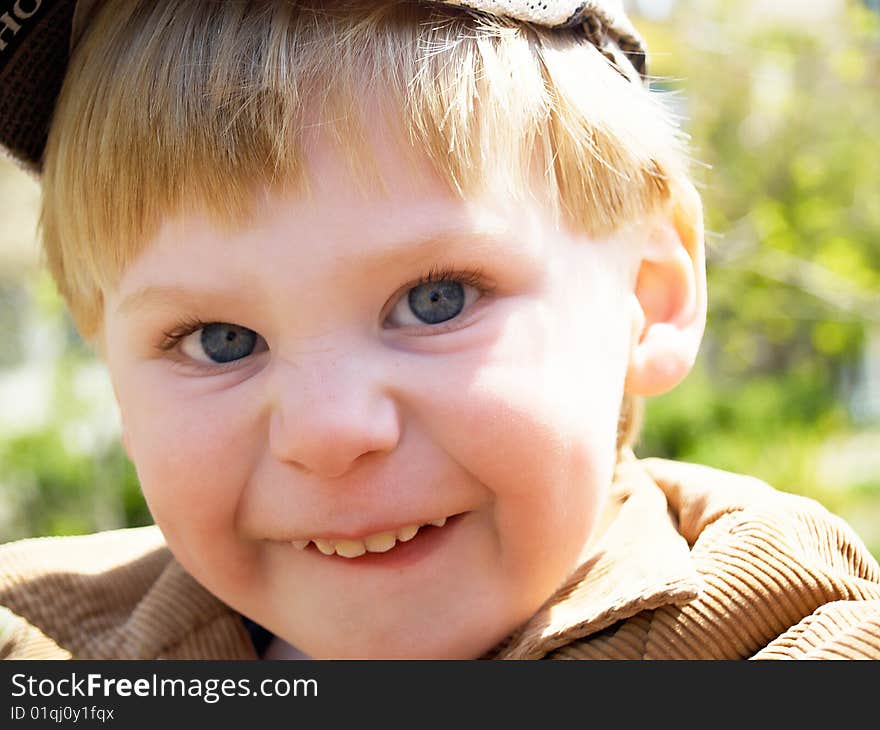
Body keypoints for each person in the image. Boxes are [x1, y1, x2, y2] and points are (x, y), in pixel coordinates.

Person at [1, 0, 878, 661]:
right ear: (114, 372)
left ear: (647, 295)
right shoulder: (52, 648)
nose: (329, 432)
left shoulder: (783, 642)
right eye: (220, 339)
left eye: (438, 299)